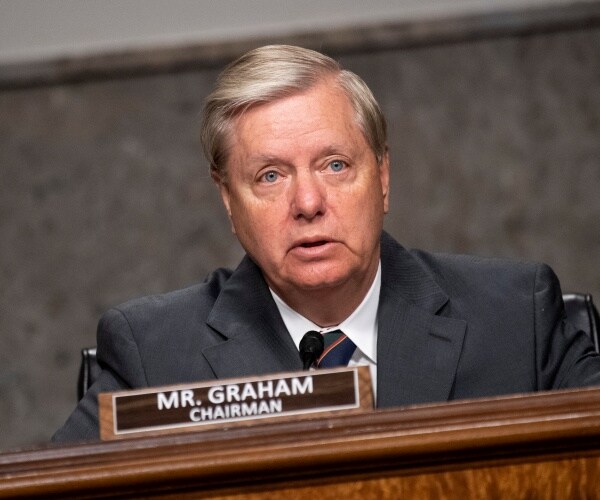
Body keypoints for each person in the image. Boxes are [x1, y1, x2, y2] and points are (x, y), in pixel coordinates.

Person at [52, 45, 600, 442]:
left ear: (382, 178)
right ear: (226, 199)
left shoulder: (515, 317)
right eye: (270, 176)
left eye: (335, 165)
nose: (308, 202)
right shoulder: (154, 352)